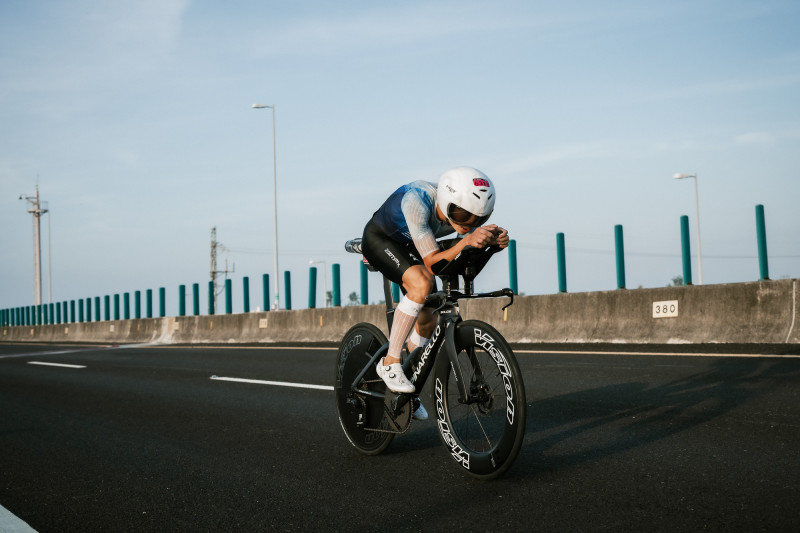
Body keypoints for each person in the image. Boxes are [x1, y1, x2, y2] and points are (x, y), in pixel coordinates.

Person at [360, 167, 510, 420]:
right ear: (447, 201)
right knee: (422, 283)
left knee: (429, 318)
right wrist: (467, 240)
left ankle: (409, 384)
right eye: (464, 215)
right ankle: (390, 362)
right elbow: (432, 262)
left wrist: (490, 243)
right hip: (381, 240)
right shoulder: (417, 201)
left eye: (478, 219)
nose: (468, 223)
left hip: (414, 243)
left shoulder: (456, 211)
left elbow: (454, 248)